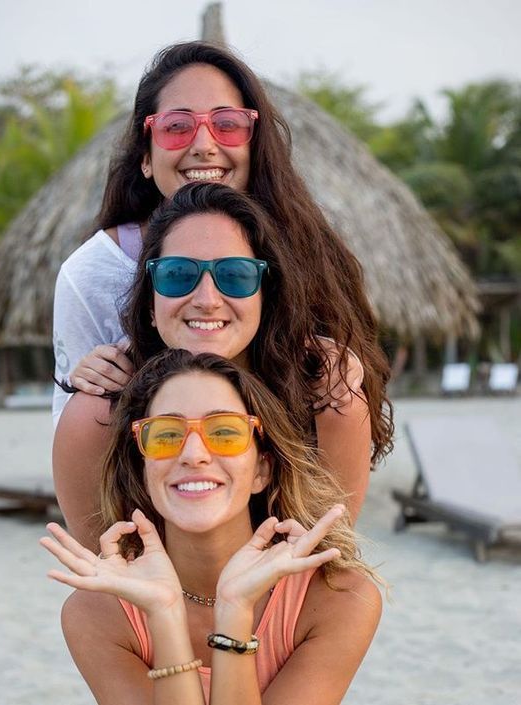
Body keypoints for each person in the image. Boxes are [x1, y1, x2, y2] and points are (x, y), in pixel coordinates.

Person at [52, 40, 392, 453]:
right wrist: (88, 383)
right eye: (177, 126)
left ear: (255, 144)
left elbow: (342, 445)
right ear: (146, 155)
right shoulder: (93, 273)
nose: (204, 144)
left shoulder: (303, 253)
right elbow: (76, 440)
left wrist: (342, 375)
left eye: (227, 123)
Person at [42, 349, 382, 705]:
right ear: (143, 472)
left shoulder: (337, 599)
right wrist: (164, 612)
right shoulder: (96, 614)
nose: (193, 454)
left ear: (261, 470)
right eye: (165, 435)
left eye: (224, 432)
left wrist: (234, 608)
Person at [54, 184, 384, 549]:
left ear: (265, 296)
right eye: (177, 274)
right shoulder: (98, 413)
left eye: (236, 275)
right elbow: (100, 582)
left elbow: (329, 566)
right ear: (150, 303)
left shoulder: (329, 400)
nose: (207, 300)